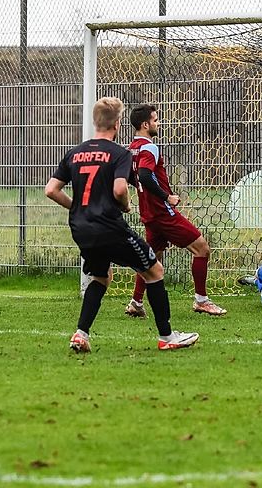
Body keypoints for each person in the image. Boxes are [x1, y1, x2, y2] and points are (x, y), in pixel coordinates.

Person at [45, 97, 198, 353]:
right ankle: (167, 336)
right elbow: (119, 189)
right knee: (155, 271)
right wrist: (126, 205)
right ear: (117, 124)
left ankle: (81, 334)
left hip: (81, 228)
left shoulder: (75, 152)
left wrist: (76, 208)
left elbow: (51, 190)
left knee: (101, 277)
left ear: (95, 122)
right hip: (109, 227)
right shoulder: (119, 153)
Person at [123, 104, 226, 318]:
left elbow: (131, 176)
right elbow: (143, 175)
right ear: (145, 124)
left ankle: (136, 302)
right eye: (156, 120)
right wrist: (166, 196)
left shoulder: (131, 148)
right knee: (202, 249)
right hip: (162, 213)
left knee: (151, 258)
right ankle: (201, 301)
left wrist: (143, 191)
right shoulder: (149, 147)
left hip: (148, 213)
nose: (158, 123)